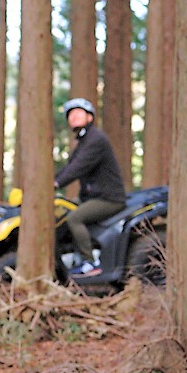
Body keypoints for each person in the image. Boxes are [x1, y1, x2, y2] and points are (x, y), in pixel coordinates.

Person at [53, 98, 127, 278]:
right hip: (92, 196)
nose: (73, 117)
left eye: (78, 113)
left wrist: (56, 184)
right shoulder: (84, 141)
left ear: (89, 117)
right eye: (70, 114)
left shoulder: (95, 140)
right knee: (63, 209)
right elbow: (69, 167)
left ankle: (90, 263)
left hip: (109, 198)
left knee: (74, 219)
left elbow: (78, 167)